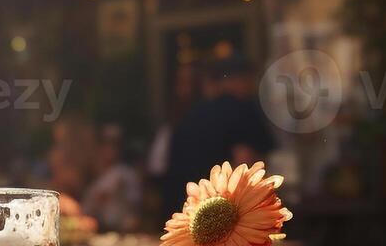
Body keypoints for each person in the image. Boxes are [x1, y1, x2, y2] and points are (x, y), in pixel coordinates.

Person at [162, 56, 274, 215]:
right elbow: (245, 164)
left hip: (185, 212)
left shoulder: (189, 115)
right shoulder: (242, 109)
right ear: (239, 79)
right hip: (223, 214)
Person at [80, 125, 144, 232]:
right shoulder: (96, 175)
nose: (110, 148)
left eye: (115, 144)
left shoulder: (125, 173)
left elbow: (136, 205)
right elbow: (89, 207)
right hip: (100, 230)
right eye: (107, 143)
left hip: (122, 232)